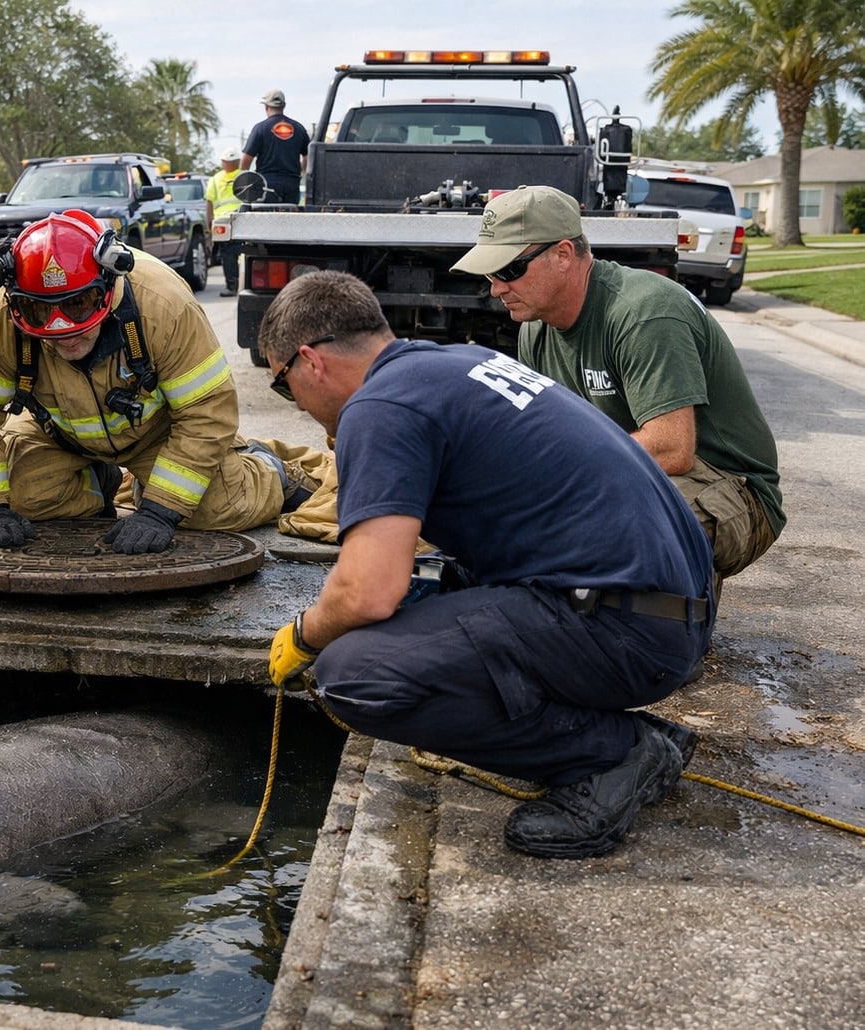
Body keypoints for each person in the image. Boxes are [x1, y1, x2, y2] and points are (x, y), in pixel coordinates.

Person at [262, 269, 714, 860]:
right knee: (433, 592)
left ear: (308, 362)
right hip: (671, 608)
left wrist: (302, 635)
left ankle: (613, 753)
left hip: (629, 631)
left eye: (281, 385)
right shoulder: (450, 365)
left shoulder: (381, 406)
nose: (292, 402)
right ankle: (607, 737)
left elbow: (367, 591)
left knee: (356, 674)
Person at [452, 185, 783, 586]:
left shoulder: (644, 313)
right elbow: (548, 439)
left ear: (562, 255)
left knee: (595, 532)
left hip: (731, 488)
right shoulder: (535, 329)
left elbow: (672, 448)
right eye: (490, 273)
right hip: (637, 473)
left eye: (508, 271)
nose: (496, 288)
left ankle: (672, 615)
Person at [0, 209, 309, 554]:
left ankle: (270, 471)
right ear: (17, 301)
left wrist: (162, 510)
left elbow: (206, 413)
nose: (61, 327)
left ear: (107, 286)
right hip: (57, 433)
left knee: (218, 510)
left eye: (78, 304)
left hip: (157, 434)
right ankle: (100, 483)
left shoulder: (163, 305)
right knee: (22, 499)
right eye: (39, 310)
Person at [241, 89, 309, 205]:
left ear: (266, 107)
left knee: (266, 219)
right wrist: (301, 173)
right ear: (284, 106)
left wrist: (244, 178)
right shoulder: (299, 128)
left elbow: (246, 159)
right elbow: (308, 155)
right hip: (291, 183)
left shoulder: (260, 129)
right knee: (290, 219)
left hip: (267, 184)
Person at [205, 146, 244, 297]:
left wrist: (209, 222)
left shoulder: (215, 179)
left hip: (224, 222)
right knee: (237, 253)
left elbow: (209, 203)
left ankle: (232, 286)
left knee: (228, 254)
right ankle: (237, 284)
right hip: (241, 219)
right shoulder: (244, 175)